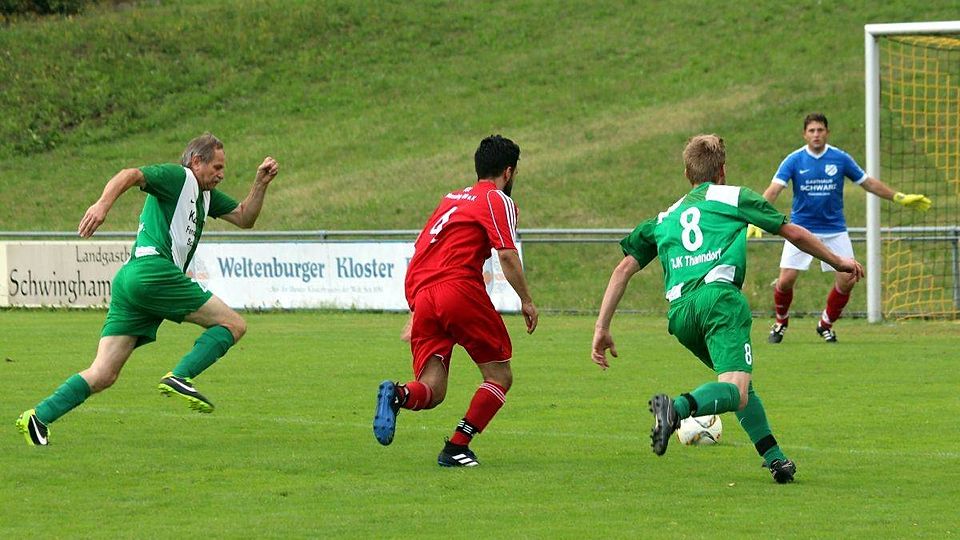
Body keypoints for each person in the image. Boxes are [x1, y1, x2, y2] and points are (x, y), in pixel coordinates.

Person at [591, 134, 864, 483]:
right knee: (736, 390)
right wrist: (839, 261)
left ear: (687, 173)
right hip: (719, 301)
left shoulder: (665, 217)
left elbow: (622, 269)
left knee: (738, 385)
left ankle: (775, 458)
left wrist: (601, 328)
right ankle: (675, 409)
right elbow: (793, 233)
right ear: (722, 170)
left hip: (681, 315)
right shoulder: (734, 196)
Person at [15, 133, 279, 446]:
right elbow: (130, 174)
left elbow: (245, 217)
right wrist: (102, 205)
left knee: (104, 373)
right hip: (153, 272)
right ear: (196, 161)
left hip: (131, 280)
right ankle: (180, 376)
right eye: (217, 167)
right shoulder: (178, 177)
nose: (222, 174)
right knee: (233, 324)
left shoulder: (205, 195)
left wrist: (260, 184)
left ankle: (38, 417)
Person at [373, 135, 538, 467]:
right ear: (508, 172)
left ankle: (397, 394)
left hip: (422, 290)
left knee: (432, 389)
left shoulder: (450, 199)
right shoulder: (497, 199)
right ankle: (456, 448)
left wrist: (417, 308)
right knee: (499, 376)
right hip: (458, 288)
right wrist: (527, 300)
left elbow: (423, 249)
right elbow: (506, 254)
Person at [748, 112, 931, 343]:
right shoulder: (794, 160)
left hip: (834, 229)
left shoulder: (840, 158)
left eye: (820, 130)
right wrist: (756, 217)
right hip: (801, 230)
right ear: (805, 134)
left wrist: (898, 197)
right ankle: (781, 322)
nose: (816, 134)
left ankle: (825, 324)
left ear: (827, 132)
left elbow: (868, 183)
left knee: (848, 279)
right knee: (785, 281)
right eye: (812, 130)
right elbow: (774, 190)